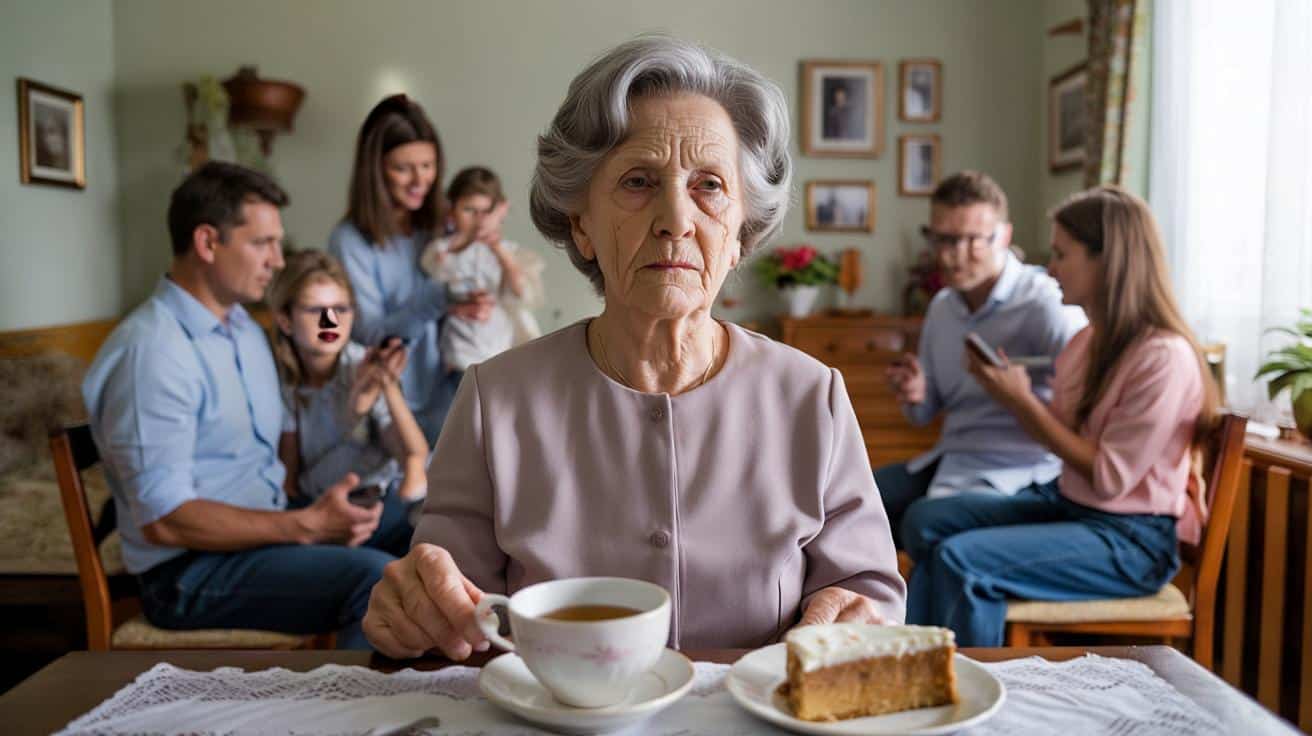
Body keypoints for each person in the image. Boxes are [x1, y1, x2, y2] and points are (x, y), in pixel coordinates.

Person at [362, 35, 906, 660]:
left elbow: (866, 592)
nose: (676, 217)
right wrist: (416, 612)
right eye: (639, 180)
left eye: (709, 186)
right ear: (581, 223)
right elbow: (447, 608)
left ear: (740, 235)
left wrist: (854, 613)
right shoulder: (495, 400)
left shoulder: (814, 397)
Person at [82, 162, 393, 649]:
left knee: (415, 517)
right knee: (375, 581)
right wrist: (306, 526)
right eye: (261, 243)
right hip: (189, 573)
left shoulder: (246, 330)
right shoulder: (153, 352)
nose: (277, 260)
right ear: (207, 243)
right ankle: (353, 718)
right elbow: (164, 520)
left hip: (263, 529)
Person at [901, 186, 1220, 646]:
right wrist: (1017, 398)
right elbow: (1065, 438)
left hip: (1130, 540)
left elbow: (1110, 478)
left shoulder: (1163, 357)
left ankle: (965, 685)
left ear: (1106, 261)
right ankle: (920, 663)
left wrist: (1021, 402)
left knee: (959, 559)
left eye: (1061, 254)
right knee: (924, 520)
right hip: (1070, 505)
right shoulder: (1088, 342)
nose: (1050, 269)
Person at [875, 172, 1084, 542]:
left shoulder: (1046, 304)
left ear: (1004, 236)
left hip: (1023, 473)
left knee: (921, 523)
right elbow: (924, 415)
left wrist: (1017, 397)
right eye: (941, 239)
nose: (951, 255)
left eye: (971, 240)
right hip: (953, 459)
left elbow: (1085, 414)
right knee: (846, 502)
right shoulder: (942, 308)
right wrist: (917, 394)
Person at [328, 94, 502, 445]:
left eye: (428, 165)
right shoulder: (350, 241)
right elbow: (367, 332)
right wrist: (442, 298)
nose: (419, 180)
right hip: (391, 406)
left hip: (452, 389)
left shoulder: (440, 225)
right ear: (375, 170)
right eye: (403, 168)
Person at [267, 250, 430, 555]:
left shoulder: (361, 365)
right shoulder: (282, 381)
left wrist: (386, 385)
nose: (330, 321)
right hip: (317, 509)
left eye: (341, 309)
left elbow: (411, 454)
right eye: (315, 310)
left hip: (376, 504)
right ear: (285, 320)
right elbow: (288, 480)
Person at [419, 166, 544, 398]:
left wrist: (498, 250)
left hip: (497, 353)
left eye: (486, 211)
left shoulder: (510, 253)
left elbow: (520, 294)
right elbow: (432, 290)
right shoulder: (441, 251)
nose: (478, 219)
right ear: (452, 210)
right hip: (458, 356)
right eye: (469, 210)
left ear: (500, 210)